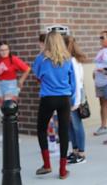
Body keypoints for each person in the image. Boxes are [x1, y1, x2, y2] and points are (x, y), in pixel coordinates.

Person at [32, 31, 76, 179]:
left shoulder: (40, 59)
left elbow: (37, 75)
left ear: (47, 42)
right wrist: (73, 98)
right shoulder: (68, 59)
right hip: (64, 98)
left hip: (48, 98)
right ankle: (63, 171)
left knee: (41, 129)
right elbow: (73, 82)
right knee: (63, 132)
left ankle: (47, 165)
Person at [64, 35, 87, 164]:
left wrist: (76, 101)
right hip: (71, 95)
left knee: (77, 125)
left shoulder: (72, 60)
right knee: (70, 125)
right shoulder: (69, 60)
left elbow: (78, 83)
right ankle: (75, 150)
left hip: (75, 95)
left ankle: (82, 153)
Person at [0, 42, 30, 110]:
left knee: (9, 106)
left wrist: (21, 80)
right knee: (1, 107)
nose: (4, 52)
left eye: (6, 49)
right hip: (0, 85)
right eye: (2, 50)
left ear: (9, 50)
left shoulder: (14, 59)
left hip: (10, 85)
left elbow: (27, 69)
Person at [93, 30, 107, 136]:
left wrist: (105, 71)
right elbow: (98, 64)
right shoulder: (101, 50)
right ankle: (103, 125)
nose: (100, 40)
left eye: (103, 38)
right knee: (102, 104)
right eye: (100, 37)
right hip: (99, 81)